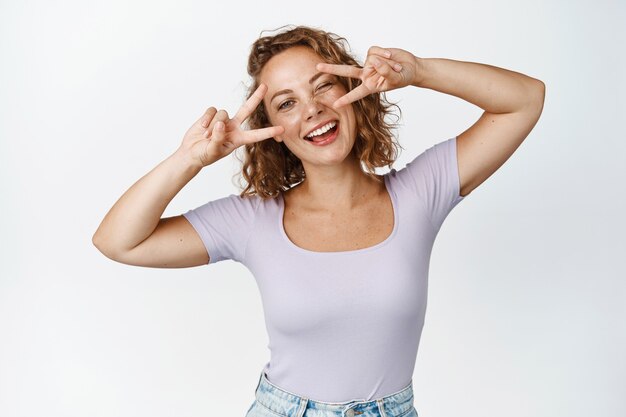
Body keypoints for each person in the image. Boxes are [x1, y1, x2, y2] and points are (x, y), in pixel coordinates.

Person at [93, 25, 545, 417]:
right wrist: (189, 159)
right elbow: (118, 241)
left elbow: (524, 100)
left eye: (323, 86)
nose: (311, 110)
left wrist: (419, 71)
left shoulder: (419, 193)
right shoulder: (252, 220)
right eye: (286, 104)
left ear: (357, 91)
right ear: (272, 130)